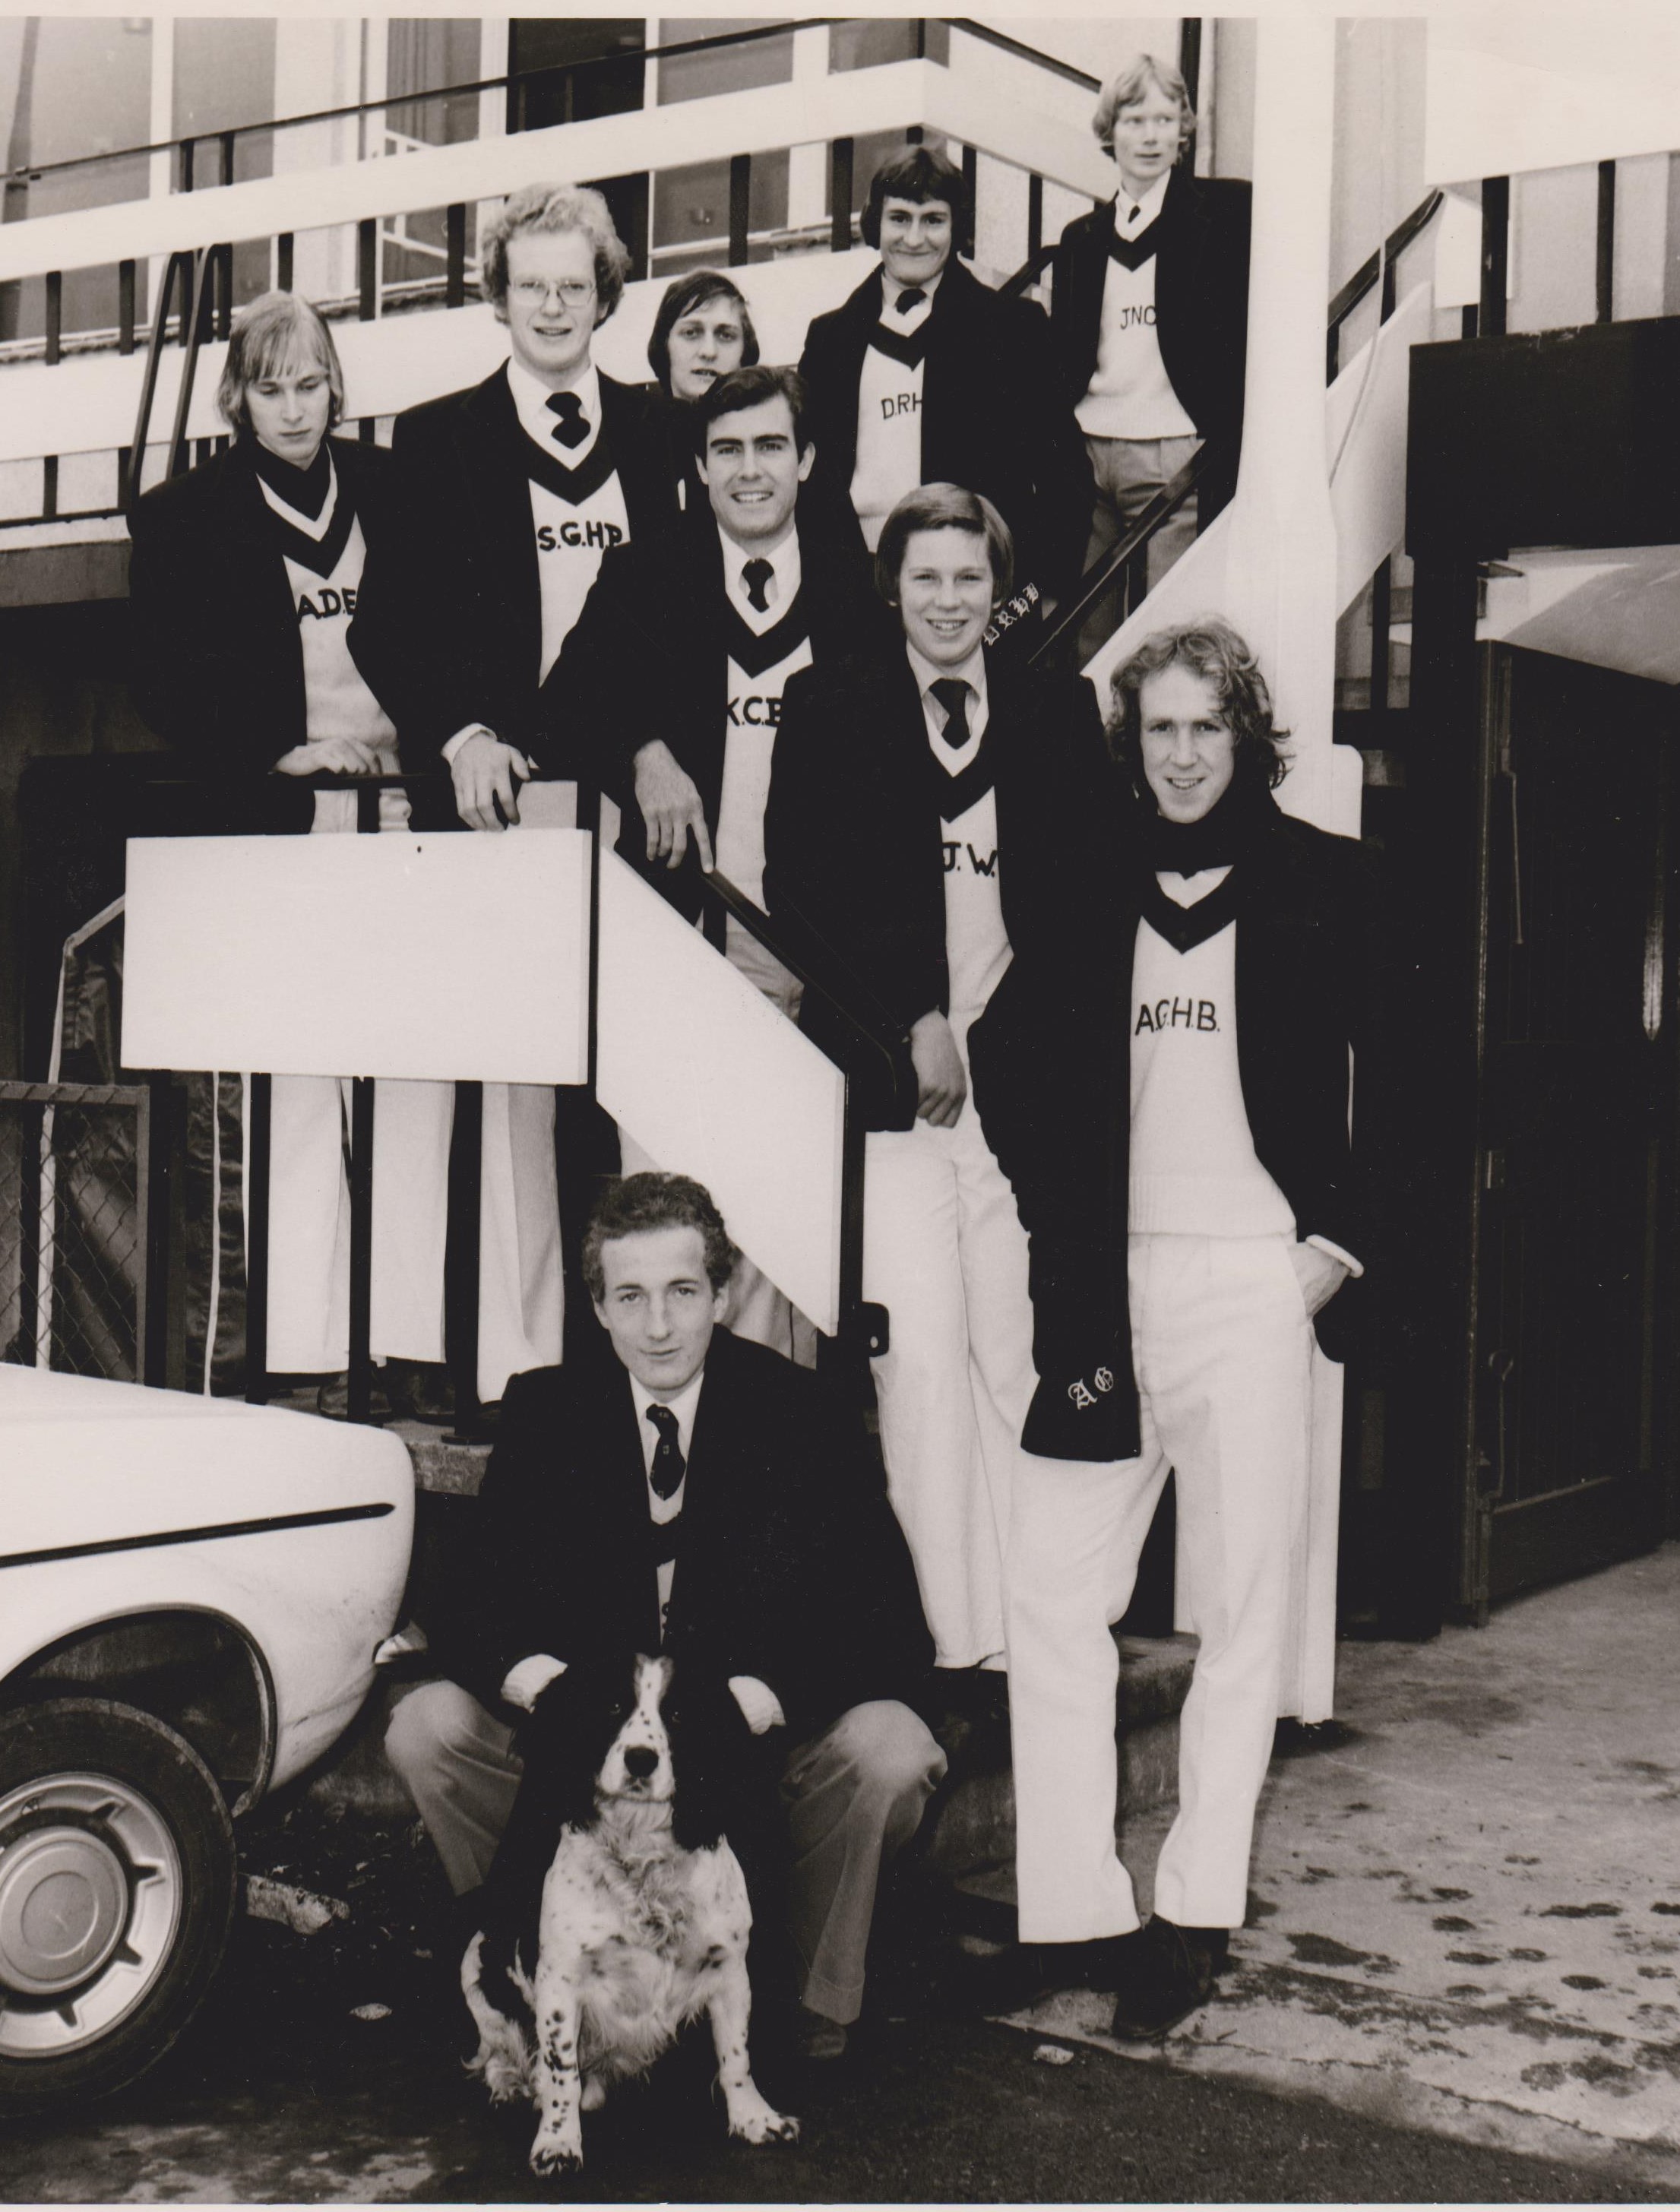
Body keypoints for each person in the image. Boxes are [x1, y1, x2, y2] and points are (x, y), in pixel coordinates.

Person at [967, 618, 1379, 2038]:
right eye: (1160, 729)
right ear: (1130, 746)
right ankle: (1072, 1909)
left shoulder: (1322, 877)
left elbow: (1412, 1069)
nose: (1184, 754)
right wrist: (1057, 1218)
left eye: (1208, 726)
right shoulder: (1088, 881)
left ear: (1244, 735)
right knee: (1050, 1594)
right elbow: (1004, 1058)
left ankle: (1195, 1909)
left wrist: (1330, 1245)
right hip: (1104, 1289)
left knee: (1244, 1603)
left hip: (1251, 1281)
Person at [386, 1171, 943, 2062]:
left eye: (683, 1292)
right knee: (427, 1727)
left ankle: (805, 1998)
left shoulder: (803, 1415)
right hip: (592, 1774)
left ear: (722, 1295)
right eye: (630, 1297)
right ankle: (545, 1967)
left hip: (751, 1770)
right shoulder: (547, 1408)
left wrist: (759, 1699)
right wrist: (547, 1689)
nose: (657, 1326)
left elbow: (889, 1627)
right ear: (598, 1307)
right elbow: (466, 1600)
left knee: (893, 1748)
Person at [764, 484, 1118, 1675]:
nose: (949, 599)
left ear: (997, 587)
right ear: (891, 588)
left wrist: (1004, 1039)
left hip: (1015, 1100)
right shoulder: (828, 705)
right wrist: (911, 1020)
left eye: (970, 576)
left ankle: (1034, 1630)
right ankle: (948, 1639)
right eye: (926, 576)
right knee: (916, 1365)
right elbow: (797, 890)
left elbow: (1085, 908)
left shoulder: (1055, 708)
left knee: (1014, 1354)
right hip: (894, 1097)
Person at [351, 182, 678, 1399]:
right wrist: (459, 732)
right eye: (530, 285)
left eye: (572, 285)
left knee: (646, 1081)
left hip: (625, 796)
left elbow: (681, 615)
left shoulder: (656, 431)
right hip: (495, 799)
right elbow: (388, 625)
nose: (552, 306)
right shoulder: (437, 438)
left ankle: (665, 1353)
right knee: (505, 1094)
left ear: (605, 297)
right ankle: (517, 1365)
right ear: (498, 297)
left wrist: (649, 742)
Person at [127, 290, 452, 1419]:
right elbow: (161, 684)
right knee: (298, 1095)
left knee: (411, 1084)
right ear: (237, 397)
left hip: (401, 820)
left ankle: (410, 1336)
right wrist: (275, 751)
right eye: (271, 388)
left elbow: (446, 640)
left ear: (335, 388)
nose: (295, 408)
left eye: (311, 384)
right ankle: (306, 1347)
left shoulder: (397, 491)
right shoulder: (183, 516)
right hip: (282, 828)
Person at [561, 365, 887, 1361]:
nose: (750, 470)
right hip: (680, 944)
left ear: (807, 460)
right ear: (698, 467)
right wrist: (642, 750)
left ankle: (760, 1442)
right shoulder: (645, 571)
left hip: (805, 956)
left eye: (770, 446)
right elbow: (564, 705)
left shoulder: (853, 582)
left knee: (780, 1229)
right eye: (728, 450)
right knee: (667, 1218)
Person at [799, 147, 1090, 605]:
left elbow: (1065, 474)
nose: (914, 238)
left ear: (957, 228)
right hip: (857, 585)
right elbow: (809, 477)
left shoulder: (1013, 329)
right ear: (876, 223)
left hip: (975, 589)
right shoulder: (829, 338)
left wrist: (1041, 594)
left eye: (933, 220)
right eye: (900, 218)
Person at [1049, 57, 1251, 644]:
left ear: (1182, 129)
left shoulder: (1225, 213)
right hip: (1090, 453)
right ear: (1110, 130)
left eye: (1165, 119)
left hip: (1172, 450)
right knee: (1086, 631)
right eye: (1135, 120)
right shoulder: (1081, 240)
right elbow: (1067, 358)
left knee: (1170, 627)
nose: (1151, 136)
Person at [645, 268, 759, 514]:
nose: (709, 351)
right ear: (665, 345)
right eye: (691, 333)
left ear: (745, 352)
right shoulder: (635, 443)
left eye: (725, 335)